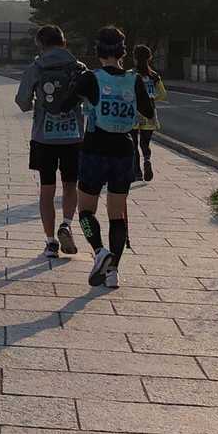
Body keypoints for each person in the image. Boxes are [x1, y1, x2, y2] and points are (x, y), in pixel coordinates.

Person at [68, 26, 153, 288]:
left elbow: (63, 105)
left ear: (98, 50)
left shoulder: (90, 78)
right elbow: (149, 112)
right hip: (124, 150)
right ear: (122, 51)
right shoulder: (134, 79)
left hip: (94, 149)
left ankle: (99, 251)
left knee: (85, 212)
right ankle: (113, 271)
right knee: (117, 215)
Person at [15, 25, 86, 258]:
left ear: (40, 45)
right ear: (64, 43)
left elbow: (22, 102)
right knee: (70, 185)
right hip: (73, 137)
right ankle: (66, 224)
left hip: (43, 138)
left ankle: (50, 242)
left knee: (47, 188)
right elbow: (90, 100)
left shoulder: (36, 68)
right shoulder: (79, 68)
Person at [132, 44, 166, 181]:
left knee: (133, 144)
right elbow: (163, 94)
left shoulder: (131, 75)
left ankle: (137, 172)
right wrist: (151, 98)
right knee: (145, 143)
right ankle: (147, 161)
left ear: (134, 58)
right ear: (149, 58)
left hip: (134, 113)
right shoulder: (154, 76)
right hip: (150, 113)